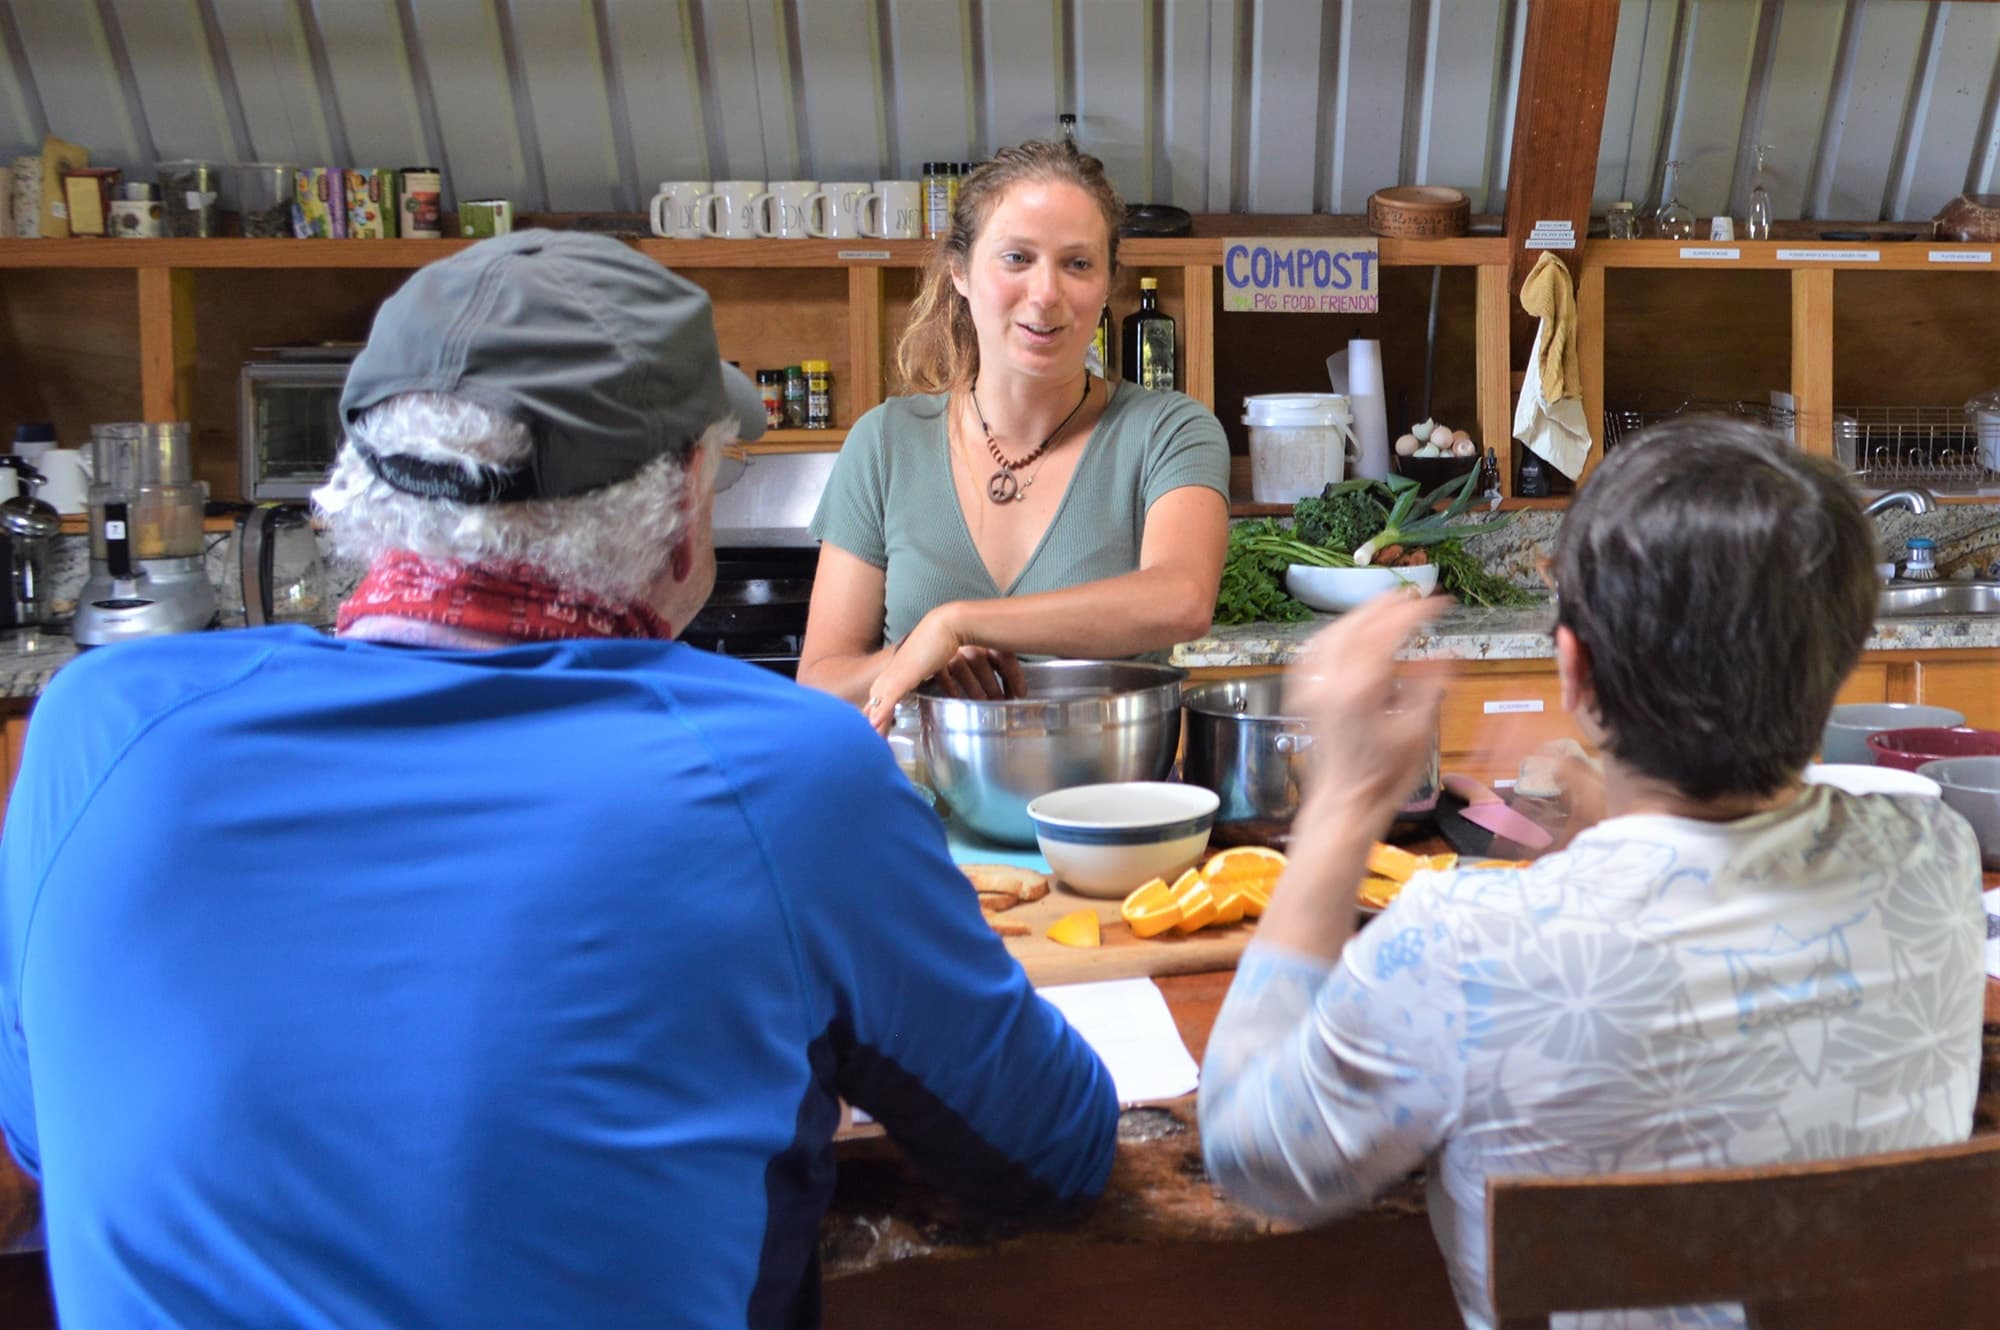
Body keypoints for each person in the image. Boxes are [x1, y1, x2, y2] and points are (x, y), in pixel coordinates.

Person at [0, 230, 1117, 1328]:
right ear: (686, 504)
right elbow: (1048, 1150)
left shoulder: (96, 733)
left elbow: (46, 1125)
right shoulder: (783, 775)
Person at [1197, 417, 1986, 1330]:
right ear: (1842, 659)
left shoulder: (1462, 945)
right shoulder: (1931, 855)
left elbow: (1253, 1159)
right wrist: (1609, 821)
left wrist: (1342, 804)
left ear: (1573, 671)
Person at [799, 140, 1230, 731]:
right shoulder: (883, 444)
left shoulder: (1169, 432)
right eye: (1016, 258)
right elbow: (820, 685)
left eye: (1077, 263)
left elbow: (1181, 599)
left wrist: (957, 623)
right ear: (960, 272)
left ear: (1107, 284)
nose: (1047, 293)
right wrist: (914, 659)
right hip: (921, 808)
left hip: (1112, 808)